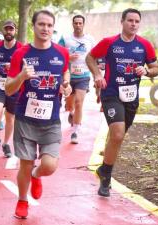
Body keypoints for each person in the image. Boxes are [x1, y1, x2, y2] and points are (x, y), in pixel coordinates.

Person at [86, 8, 158, 197]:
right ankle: (107, 177)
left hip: (131, 97)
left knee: (117, 137)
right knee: (117, 135)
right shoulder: (109, 43)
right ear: (122, 21)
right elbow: (90, 58)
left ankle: (104, 169)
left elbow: (155, 68)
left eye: (137, 21)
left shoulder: (144, 45)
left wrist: (147, 71)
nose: (133, 24)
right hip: (111, 93)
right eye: (130, 20)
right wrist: (97, 74)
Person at [5, 10, 71, 219]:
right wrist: (22, 76)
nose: (45, 29)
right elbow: (8, 89)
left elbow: (65, 73)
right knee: (25, 162)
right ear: (33, 27)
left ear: (53, 28)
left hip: (51, 120)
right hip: (25, 118)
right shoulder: (20, 54)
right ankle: (23, 200)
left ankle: (36, 175)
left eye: (49, 25)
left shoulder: (62, 53)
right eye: (41, 24)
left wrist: (66, 87)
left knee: (49, 166)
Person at [0, 20, 23, 158]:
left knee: (10, 117)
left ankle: (6, 144)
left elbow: (25, 67)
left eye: (11, 29)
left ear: (15, 31)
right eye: (6, 29)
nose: (9, 32)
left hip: (13, 85)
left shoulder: (20, 48)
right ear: (3, 31)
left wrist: (13, 69)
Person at [58, 15, 95, 144]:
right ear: (72, 24)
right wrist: (68, 56)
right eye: (76, 23)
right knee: (69, 105)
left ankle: (76, 131)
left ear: (83, 24)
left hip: (83, 76)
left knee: (79, 102)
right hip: (68, 76)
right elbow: (58, 54)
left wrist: (98, 69)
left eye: (80, 23)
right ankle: (71, 112)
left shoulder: (90, 39)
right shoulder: (66, 38)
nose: (78, 25)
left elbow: (95, 55)